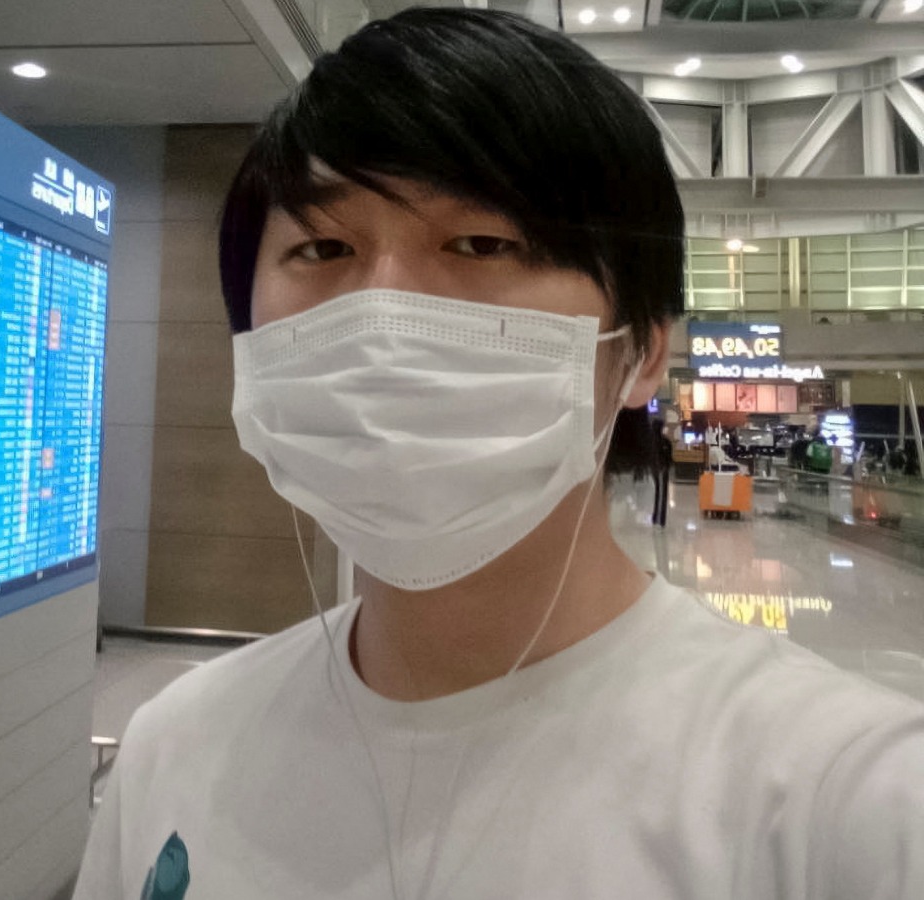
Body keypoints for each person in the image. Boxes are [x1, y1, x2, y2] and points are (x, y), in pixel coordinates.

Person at [74, 9, 924, 899]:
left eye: (481, 243)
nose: (382, 318)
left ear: (641, 350)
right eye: (321, 247)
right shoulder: (176, 747)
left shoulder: (846, 807)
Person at [651, 420, 672, 527]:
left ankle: (655, 518)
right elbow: (669, 458)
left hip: (654, 470)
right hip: (662, 471)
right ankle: (661, 519)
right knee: (662, 494)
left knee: (657, 494)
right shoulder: (665, 442)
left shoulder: (651, 442)